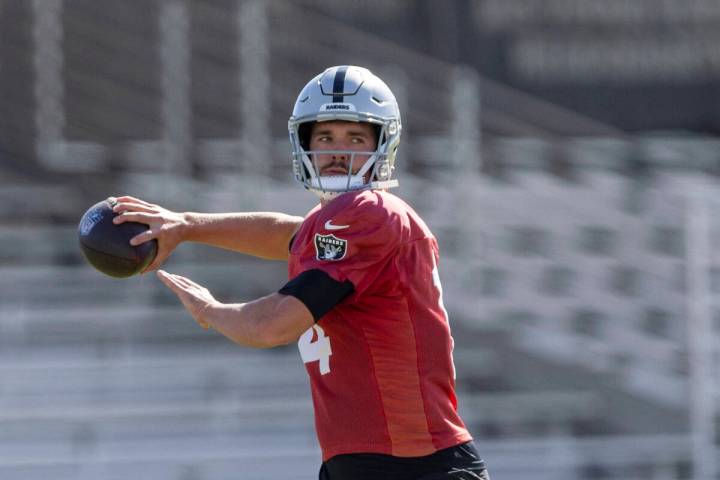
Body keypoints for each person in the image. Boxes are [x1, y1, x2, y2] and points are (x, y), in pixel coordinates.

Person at [112, 65, 488, 480]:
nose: (338, 150)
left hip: (411, 466)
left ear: (384, 145)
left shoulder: (370, 213)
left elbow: (270, 326)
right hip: (370, 462)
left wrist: (209, 310)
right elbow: (288, 233)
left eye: (356, 138)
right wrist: (186, 225)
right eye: (325, 137)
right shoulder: (343, 219)